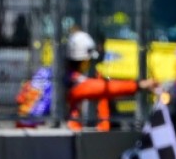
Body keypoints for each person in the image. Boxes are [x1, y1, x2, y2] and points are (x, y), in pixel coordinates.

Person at [17, 30, 158, 130]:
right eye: (88, 60)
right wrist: (139, 85)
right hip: (42, 133)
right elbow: (103, 88)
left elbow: (21, 97)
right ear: (83, 59)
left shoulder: (45, 72)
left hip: (22, 127)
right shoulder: (72, 81)